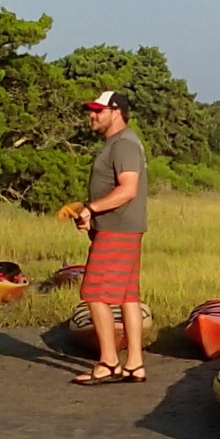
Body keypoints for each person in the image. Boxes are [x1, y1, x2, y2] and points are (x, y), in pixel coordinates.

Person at [70, 91, 149, 386]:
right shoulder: (117, 143)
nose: (92, 115)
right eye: (91, 110)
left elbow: (128, 189)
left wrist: (91, 207)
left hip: (119, 230)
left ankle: (108, 363)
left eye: (98, 110)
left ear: (116, 112)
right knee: (128, 296)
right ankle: (134, 365)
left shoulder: (125, 143)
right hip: (121, 227)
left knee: (94, 293)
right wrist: (89, 214)